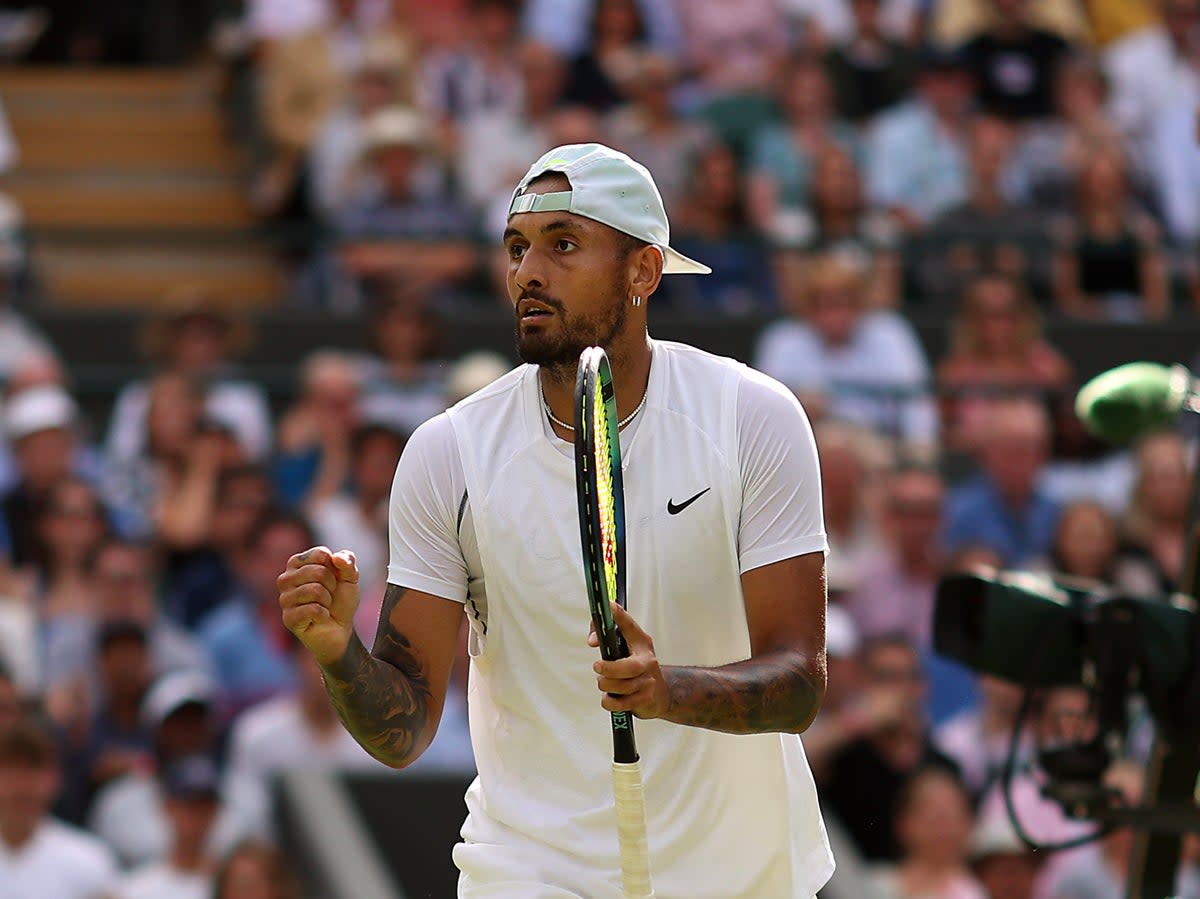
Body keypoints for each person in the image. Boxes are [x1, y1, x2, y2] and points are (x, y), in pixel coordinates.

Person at [278, 142, 833, 897]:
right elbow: (402, 729)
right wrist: (338, 649)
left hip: (737, 873)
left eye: (563, 244)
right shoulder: (449, 454)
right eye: (516, 248)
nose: (527, 273)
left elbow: (798, 682)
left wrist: (665, 689)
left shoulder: (753, 419)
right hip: (529, 871)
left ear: (643, 271)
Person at [0, 718, 119, 898]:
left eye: (32, 769)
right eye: (10, 770)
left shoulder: (89, 861)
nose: (21, 785)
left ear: (55, 778)